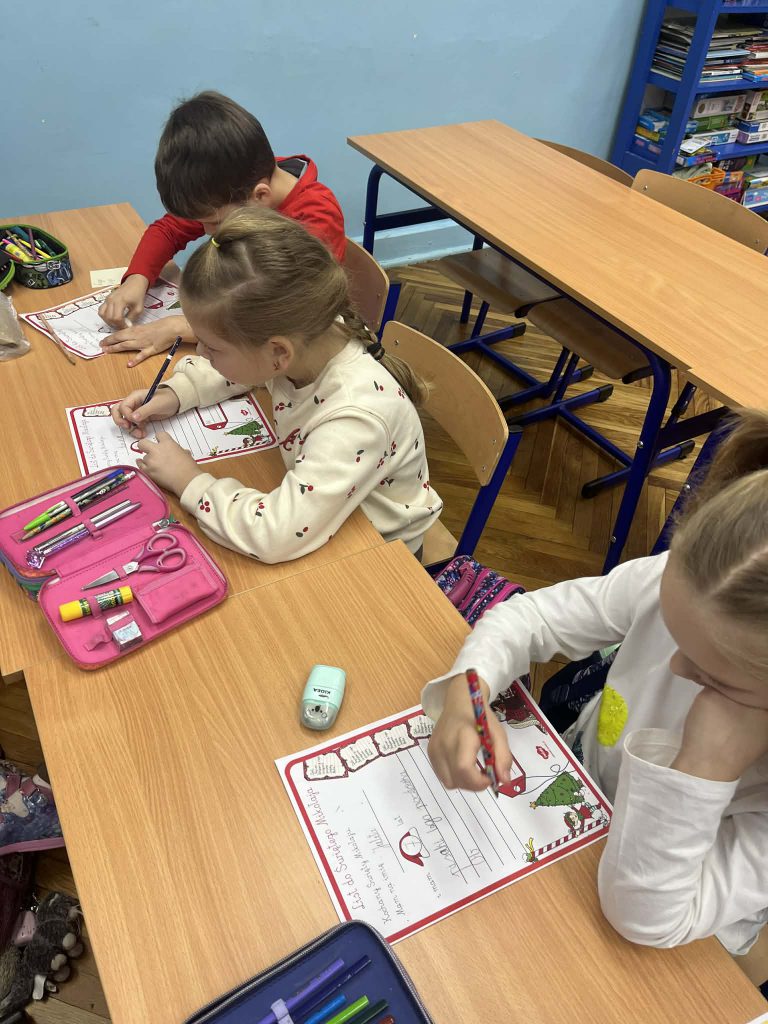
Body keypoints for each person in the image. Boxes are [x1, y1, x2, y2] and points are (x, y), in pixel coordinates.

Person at [424, 411, 768, 964]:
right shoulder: (689, 578)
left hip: (669, 927)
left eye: (712, 677)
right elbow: (531, 617)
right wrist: (471, 692)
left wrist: (704, 768)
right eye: (671, 630)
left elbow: (643, 914)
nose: (674, 666)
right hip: (582, 796)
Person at [111, 207, 442, 562]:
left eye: (212, 346)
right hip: (328, 509)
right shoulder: (307, 333)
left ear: (279, 353)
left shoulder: (356, 419)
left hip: (379, 552)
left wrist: (188, 480)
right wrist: (176, 394)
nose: (200, 352)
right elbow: (245, 367)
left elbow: (275, 534)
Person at [99, 91, 346, 366]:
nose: (206, 231)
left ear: (260, 196)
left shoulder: (314, 217)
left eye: (214, 223)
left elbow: (289, 313)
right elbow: (168, 229)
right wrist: (137, 279)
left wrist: (180, 328)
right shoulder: (231, 186)